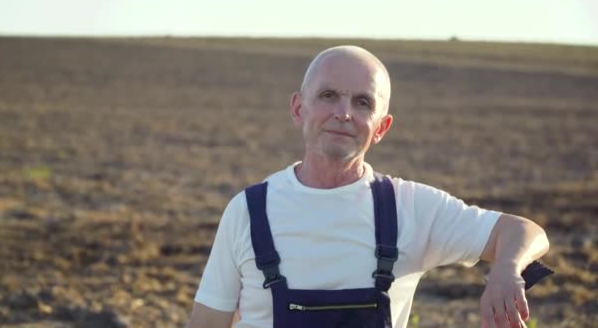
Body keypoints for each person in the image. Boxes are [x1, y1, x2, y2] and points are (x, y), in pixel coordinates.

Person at [186, 46, 550, 328]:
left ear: (381, 127)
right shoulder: (248, 211)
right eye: (328, 95)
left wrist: (506, 269)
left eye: (362, 102)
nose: (343, 113)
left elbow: (524, 231)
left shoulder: (411, 208)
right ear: (299, 108)